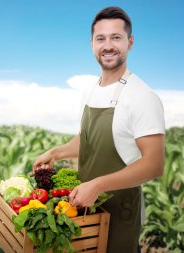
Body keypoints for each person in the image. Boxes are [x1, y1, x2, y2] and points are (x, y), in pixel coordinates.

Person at [33, 6, 165, 253]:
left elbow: (154, 164)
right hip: (86, 209)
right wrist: (56, 152)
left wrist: (98, 185)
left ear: (130, 42)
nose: (108, 46)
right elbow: (89, 140)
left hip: (120, 212)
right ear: (92, 44)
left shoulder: (142, 96)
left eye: (116, 37)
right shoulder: (90, 90)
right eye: (100, 38)